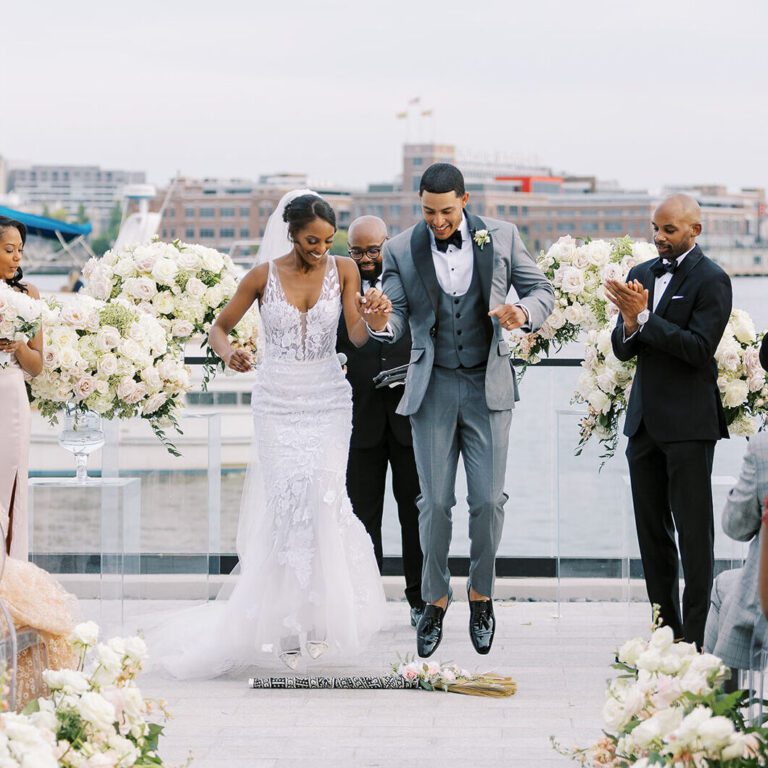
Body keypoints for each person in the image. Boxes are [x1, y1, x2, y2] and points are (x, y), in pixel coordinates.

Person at [152, 192, 386, 677]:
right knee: (285, 508)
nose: (321, 249)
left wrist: (375, 321)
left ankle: (320, 618)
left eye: (327, 240)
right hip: (276, 400)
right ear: (291, 233)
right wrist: (228, 352)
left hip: (327, 398)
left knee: (323, 499)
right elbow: (217, 330)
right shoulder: (261, 277)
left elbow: (357, 336)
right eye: (310, 240)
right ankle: (283, 624)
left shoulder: (344, 270)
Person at [362, 163, 554, 657]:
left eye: (446, 211)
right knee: (434, 504)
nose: (438, 221)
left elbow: (542, 292)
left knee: (488, 502)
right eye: (428, 211)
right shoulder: (401, 248)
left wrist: (523, 314)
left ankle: (482, 595)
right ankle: (434, 598)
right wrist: (383, 320)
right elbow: (398, 318)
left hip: (487, 385)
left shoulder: (504, 237)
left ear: (465, 200)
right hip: (433, 387)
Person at [607, 193, 733, 649]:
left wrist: (643, 317)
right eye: (655, 229)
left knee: (695, 540)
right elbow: (623, 348)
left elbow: (698, 349)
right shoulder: (640, 275)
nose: (658, 237)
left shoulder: (713, 280)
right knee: (652, 535)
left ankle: (696, 644)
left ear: (694, 231)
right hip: (643, 426)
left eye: (669, 230)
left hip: (689, 426)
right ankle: (664, 636)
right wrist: (628, 322)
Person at [336, 215, 424, 628]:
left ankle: (421, 601)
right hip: (359, 420)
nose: (366, 258)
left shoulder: (411, 279)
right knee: (361, 518)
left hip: (411, 417)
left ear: (387, 245)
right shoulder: (335, 287)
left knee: (417, 515)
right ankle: (366, 601)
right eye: (357, 251)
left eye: (373, 250)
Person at [703, 432, 768, 688]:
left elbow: (736, 527)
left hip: (764, 611)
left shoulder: (763, 451)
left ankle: (717, 713)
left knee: (724, 586)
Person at [0, 217, 43, 560]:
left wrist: (17, 345)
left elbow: (37, 365)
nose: (17, 258)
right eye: (8, 250)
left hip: (10, 399)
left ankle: (10, 575)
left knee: (10, 486)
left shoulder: (28, 295)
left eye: (19, 251)